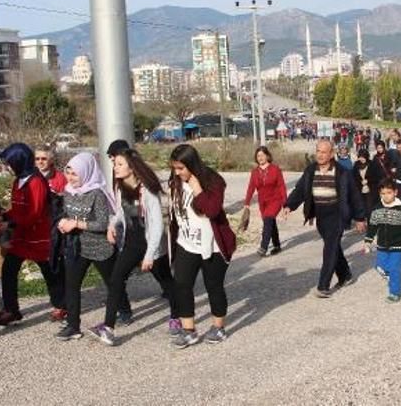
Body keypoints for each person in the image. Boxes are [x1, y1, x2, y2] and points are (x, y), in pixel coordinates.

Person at [96, 149, 181, 345]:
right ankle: (108, 328)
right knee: (116, 280)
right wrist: (112, 224)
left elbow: (158, 224)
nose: (115, 168)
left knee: (166, 282)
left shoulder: (147, 191)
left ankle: (176, 317)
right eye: (114, 164)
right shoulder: (119, 187)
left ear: (131, 167)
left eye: (119, 164)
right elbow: (120, 211)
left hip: (152, 243)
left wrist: (150, 255)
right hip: (131, 244)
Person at [168, 144, 237, 349]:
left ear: (191, 164)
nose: (177, 172)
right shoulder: (175, 182)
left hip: (212, 246)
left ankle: (218, 327)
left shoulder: (213, 181)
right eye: (174, 168)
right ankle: (189, 331)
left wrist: (197, 187)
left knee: (213, 287)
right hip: (186, 243)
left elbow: (212, 210)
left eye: (181, 168)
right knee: (181, 284)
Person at [282, 140, 367, 298]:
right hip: (320, 214)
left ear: (331, 154)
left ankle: (323, 285)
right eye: (318, 151)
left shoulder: (341, 172)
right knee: (334, 246)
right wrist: (289, 205)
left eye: (324, 152)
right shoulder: (310, 170)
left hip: (337, 213)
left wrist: (360, 217)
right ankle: (345, 275)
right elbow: (300, 189)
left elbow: (354, 195)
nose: (320, 155)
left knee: (329, 248)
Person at [50, 152, 119, 341]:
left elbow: (102, 223)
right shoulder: (68, 191)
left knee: (113, 284)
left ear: (87, 172)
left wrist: (77, 224)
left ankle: (123, 309)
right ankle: (73, 326)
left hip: (99, 247)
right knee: (71, 285)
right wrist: (62, 222)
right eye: (68, 173)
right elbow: (65, 212)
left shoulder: (97, 193)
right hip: (76, 247)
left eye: (75, 174)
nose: (70, 178)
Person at [0, 143, 66, 326]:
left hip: (39, 237)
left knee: (49, 272)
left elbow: (35, 213)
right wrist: (2, 217)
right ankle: (11, 310)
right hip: (21, 235)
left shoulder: (35, 182)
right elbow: (18, 209)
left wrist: (10, 223)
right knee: (9, 270)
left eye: (10, 163)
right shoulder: (18, 180)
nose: (8, 167)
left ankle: (61, 304)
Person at [364, 178, 401, 303]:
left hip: (398, 245)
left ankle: (394, 293)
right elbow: (372, 226)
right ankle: (390, 276)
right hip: (382, 245)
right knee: (379, 266)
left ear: (395, 192)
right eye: (383, 193)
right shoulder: (377, 208)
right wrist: (368, 240)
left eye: (389, 193)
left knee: (394, 269)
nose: (386, 196)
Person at [243, 146, 287, 257]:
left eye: (262, 155)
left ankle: (263, 247)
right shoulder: (255, 172)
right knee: (270, 222)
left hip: (275, 200)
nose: (260, 157)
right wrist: (247, 203)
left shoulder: (275, 169)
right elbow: (251, 188)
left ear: (267, 156)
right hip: (263, 202)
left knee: (268, 220)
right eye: (258, 156)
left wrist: (285, 204)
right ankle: (277, 246)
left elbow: (281, 186)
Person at [353, 148, 373, 220]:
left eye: (363, 157)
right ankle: (361, 219)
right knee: (361, 204)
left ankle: (369, 220)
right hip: (359, 188)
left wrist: (368, 180)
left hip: (370, 188)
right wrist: (359, 182)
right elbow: (354, 177)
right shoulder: (356, 164)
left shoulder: (371, 164)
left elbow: (375, 176)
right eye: (360, 157)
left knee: (369, 206)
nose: (362, 159)